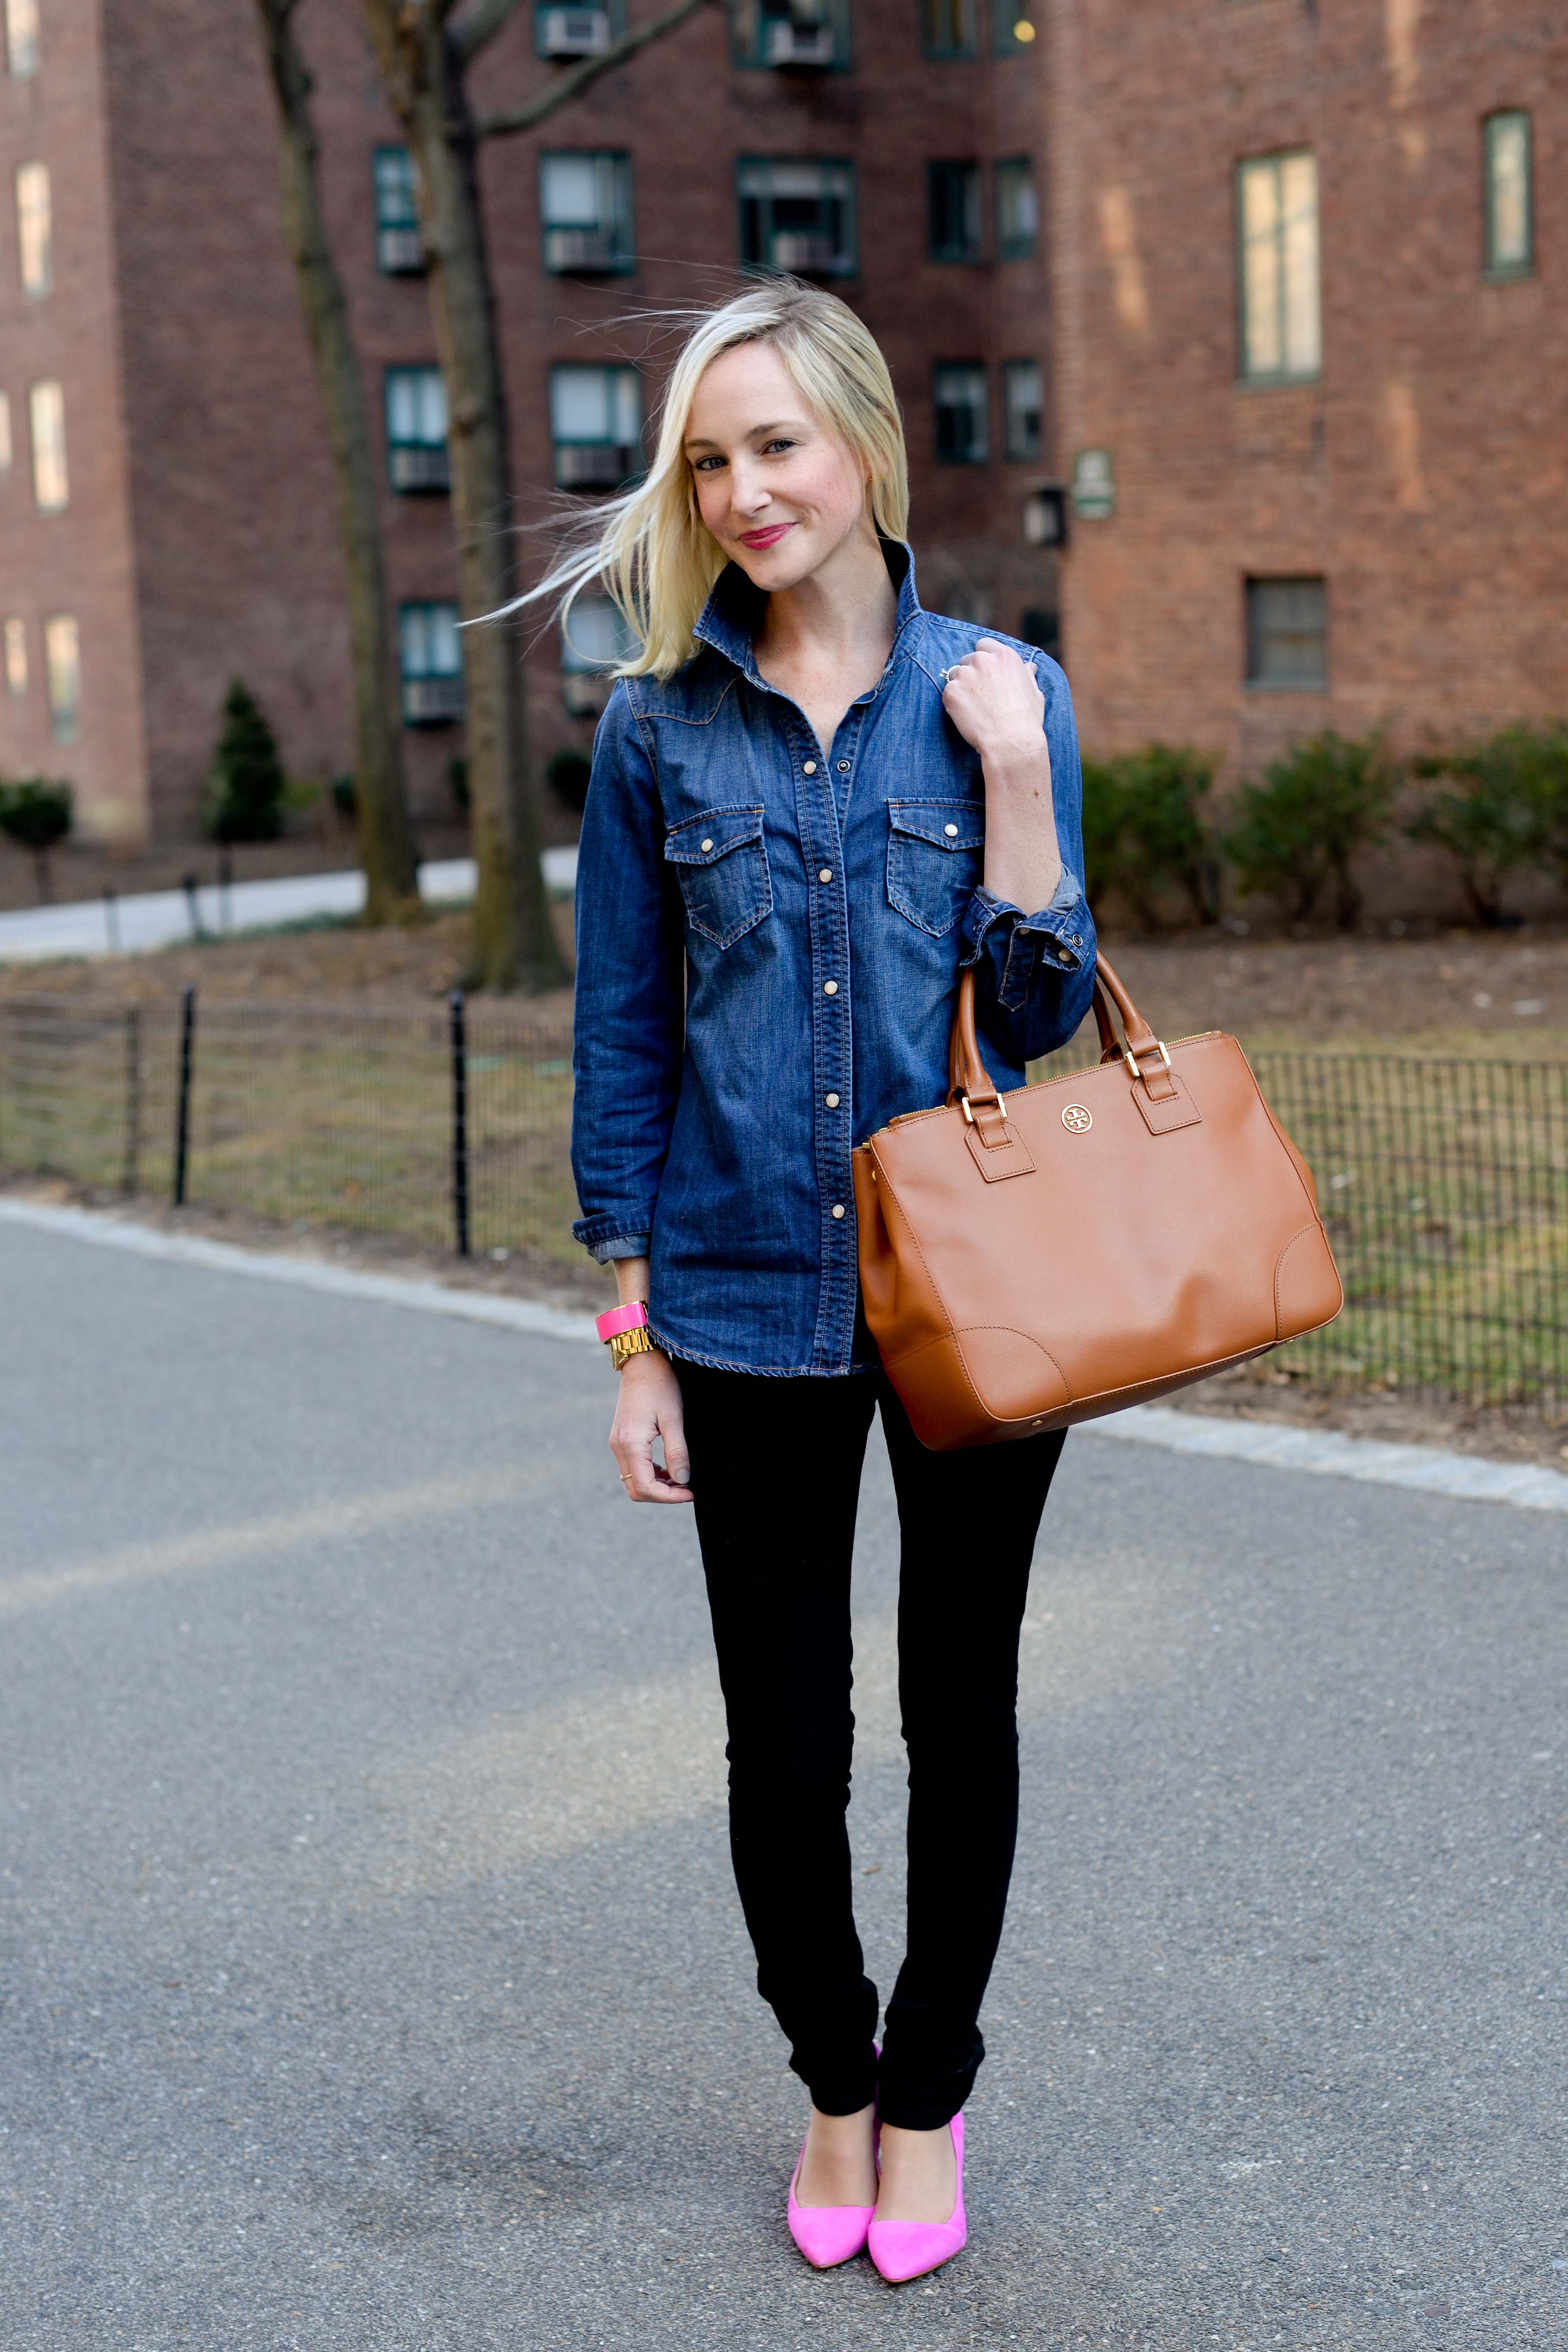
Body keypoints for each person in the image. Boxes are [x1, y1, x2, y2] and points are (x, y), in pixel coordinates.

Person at [548, 282, 1094, 2283]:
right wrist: (631, 1334)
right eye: (711, 457)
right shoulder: (655, 728)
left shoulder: (1000, 686)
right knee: (780, 1735)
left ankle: (935, 2088)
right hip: (745, 1299)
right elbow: (622, 1035)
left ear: (865, 440)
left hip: (978, 1297)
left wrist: (1019, 780)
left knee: (966, 1708)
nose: (744, 488)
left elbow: (1034, 1003)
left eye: (776, 442)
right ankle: (834, 2076)